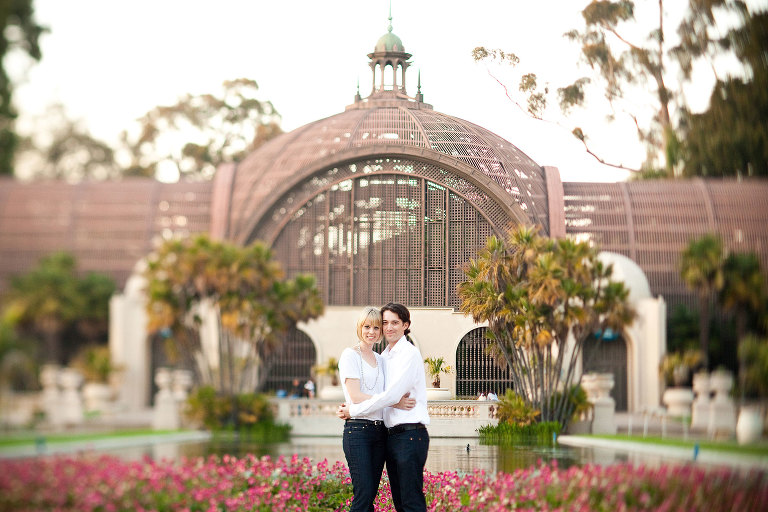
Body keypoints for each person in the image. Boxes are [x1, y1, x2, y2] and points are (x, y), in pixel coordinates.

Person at [338, 303, 430, 512]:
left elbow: (390, 395)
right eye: (384, 323)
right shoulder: (381, 356)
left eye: (378, 326)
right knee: (369, 495)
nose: (384, 329)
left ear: (406, 325)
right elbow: (358, 395)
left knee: (408, 501)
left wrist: (352, 409)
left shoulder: (406, 354)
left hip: (407, 434)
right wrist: (354, 408)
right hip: (370, 433)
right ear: (359, 327)